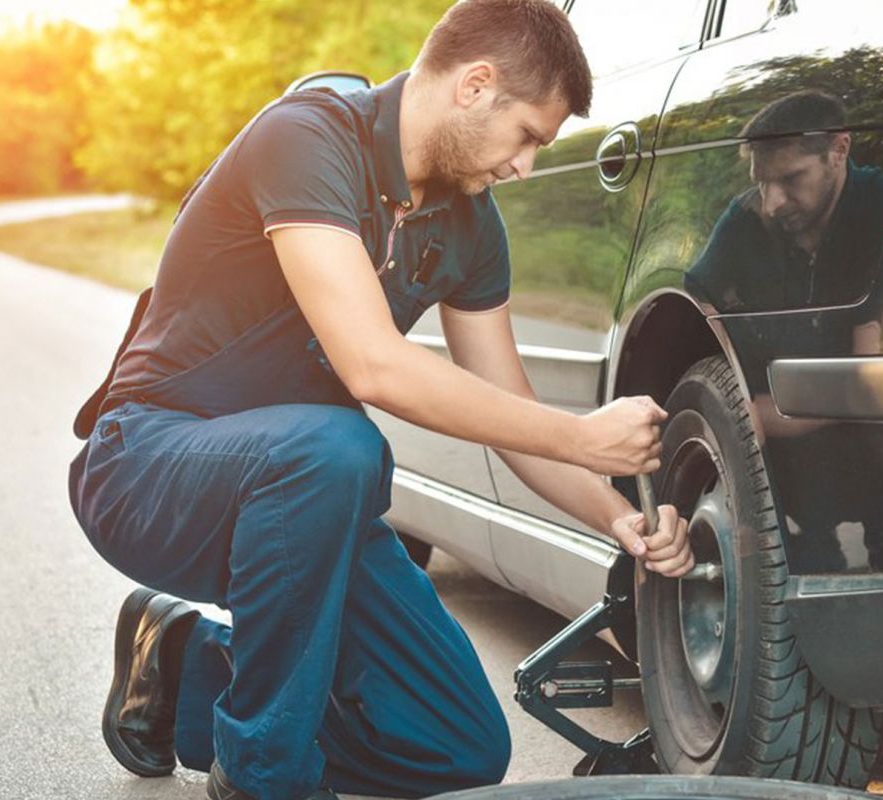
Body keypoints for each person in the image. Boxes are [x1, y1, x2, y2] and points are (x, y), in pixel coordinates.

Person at [66, 2, 694, 799]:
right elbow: (372, 367)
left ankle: (183, 665)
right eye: (529, 136)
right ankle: (263, 777)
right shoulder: (308, 138)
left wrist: (621, 521)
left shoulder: (472, 229)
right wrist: (582, 437)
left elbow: (514, 417)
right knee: (342, 448)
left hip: (307, 501)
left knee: (457, 745)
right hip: (149, 463)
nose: (525, 166)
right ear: (475, 85)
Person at [685, 90, 883, 572]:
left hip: (841, 415)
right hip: (775, 407)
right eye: (763, 183)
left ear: (839, 151)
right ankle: (803, 544)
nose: (774, 202)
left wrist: (757, 415)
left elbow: (865, 379)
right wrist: (732, 389)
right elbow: (697, 299)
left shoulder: (875, 204)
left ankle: (881, 547)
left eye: (791, 179)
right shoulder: (747, 216)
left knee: (875, 434)